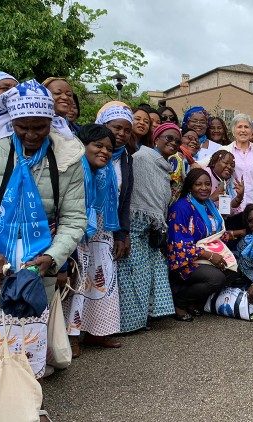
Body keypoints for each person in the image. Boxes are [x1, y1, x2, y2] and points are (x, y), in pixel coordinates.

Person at [0, 80, 86, 420]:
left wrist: (54, 255)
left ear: (51, 122)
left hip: (37, 272)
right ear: (10, 122)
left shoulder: (66, 157)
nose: (32, 135)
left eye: (40, 127)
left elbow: (74, 218)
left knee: (26, 354)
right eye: (23, 128)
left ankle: (22, 407)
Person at [117, 122, 179, 333]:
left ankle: (146, 317)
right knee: (132, 275)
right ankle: (130, 324)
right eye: (168, 138)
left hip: (152, 227)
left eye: (177, 141)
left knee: (149, 274)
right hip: (134, 223)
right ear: (156, 139)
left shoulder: (164, 166)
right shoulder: (142, 158)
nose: (173, 143)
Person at [65, 124, 122, 354]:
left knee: (101, 283)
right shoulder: (73, 170)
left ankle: (98, 332)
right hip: (77, 233)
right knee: (77, 283)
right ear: (83, 145)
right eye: (98, 145)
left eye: (109, 148)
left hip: (102, 233)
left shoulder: (106, 173)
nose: (104, 152)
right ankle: (71, 337)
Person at [167, 168, 229, 321]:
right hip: (185, 260)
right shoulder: (181, 207)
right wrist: (209, 255)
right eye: (198, 184)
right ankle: (180, 303)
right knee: (216, 278)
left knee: (233, 269)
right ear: (190, 187)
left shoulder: (209, 205)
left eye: (207, 184)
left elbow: (216, 233)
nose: (204, 188)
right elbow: (178, 244)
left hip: (206, 254)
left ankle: (193, 301)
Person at [96, 103, 135, 266]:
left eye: (127, 130)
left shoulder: (126, 158)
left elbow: (125, 200)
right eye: (117, 127)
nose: (121, 133)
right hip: (87, 226)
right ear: (104, 125)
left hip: (110, 228)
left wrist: (122, 234)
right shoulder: (89, 152)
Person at [168, 129, 202, 204]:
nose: (194, 142)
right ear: (180, 139)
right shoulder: (176, 157)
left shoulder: (190, 162)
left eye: (197, 140)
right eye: (189, 138)